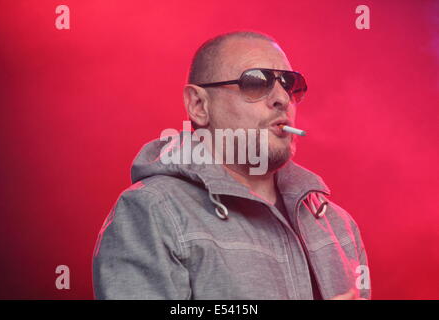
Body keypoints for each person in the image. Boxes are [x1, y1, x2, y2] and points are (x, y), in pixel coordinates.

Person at [92, 31, 371, 300]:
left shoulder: (337, 225)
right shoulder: (153, 212)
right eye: (255, 82)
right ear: (199, 105)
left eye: (289, 83)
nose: (283, 99)